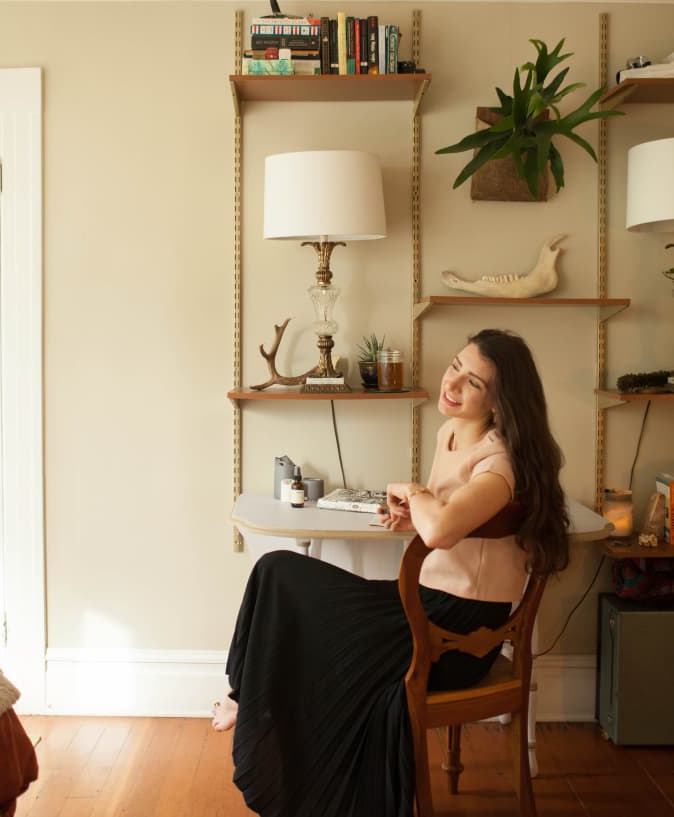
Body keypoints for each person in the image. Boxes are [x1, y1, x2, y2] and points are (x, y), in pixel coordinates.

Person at [212, 328, 569, 817]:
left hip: (459, 633)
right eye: (455, 367)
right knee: (278, 574)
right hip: (428, 605)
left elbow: (443, 529)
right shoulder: (453, 435)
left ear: (500, 401)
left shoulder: (499, 464)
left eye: (474, 383)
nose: (454, 385)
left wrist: (414, 492)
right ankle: (245, 693)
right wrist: (411, 515)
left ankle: (248, 697)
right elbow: (450, 523)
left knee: (282, 573)